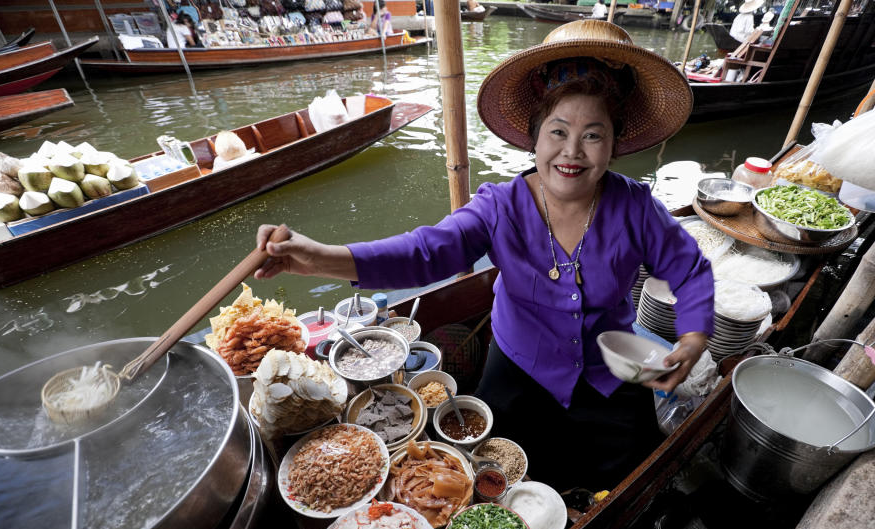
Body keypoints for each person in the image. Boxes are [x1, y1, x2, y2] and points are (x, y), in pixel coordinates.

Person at [255, 21, 713, 491]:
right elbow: (424, 253)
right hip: (519, 367)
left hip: (608, 371)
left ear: (614, 144)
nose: (572, 152)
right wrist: (317, 258)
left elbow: (691, 270)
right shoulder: (500, 205)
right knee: (499, 476)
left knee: (629, 470)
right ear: (534, 138)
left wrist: (693, 341)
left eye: (593, 135)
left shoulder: (635, 206)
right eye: (558, 131)